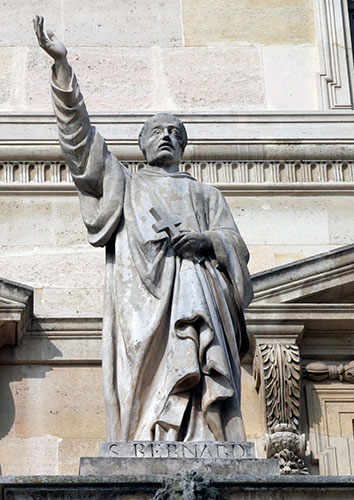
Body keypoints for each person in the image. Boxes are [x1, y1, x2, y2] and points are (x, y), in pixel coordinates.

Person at [33, 15, 253, 442]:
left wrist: (207, 242)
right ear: (143, 143)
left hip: (200, 295)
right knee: (144, 386)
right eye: (157, 130)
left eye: (175, 131)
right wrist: (62, 70)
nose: (166, 136)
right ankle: (150, 433)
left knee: (198, 342)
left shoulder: (206, 195)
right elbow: (80, 145)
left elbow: (235, 246)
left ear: (183, 145)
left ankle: (205, 433)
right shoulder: (126, 183)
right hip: (143, 311)